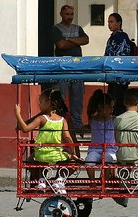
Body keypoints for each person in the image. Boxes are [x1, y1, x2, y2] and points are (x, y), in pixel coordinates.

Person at [14, 89, 80, 189]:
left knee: (31, 160)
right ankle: (59, 179)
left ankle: (42, 180)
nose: (39, 105)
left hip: (42, 153)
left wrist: (18, 114)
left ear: (48, 103)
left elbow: (25, 128)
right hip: (58, 152)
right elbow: (68, 138)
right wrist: (73, 153)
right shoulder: (62, 120)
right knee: (71, 160)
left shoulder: (42, 118)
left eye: (40, 102)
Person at [53, 4, 89, 135]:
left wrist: (69, 39)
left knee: (77, 99)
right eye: (67, 14)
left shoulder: (78, 28)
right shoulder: (56, 29)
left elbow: (86, 40)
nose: (70, 17)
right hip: (62, 68)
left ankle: (77, 126)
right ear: (61, 14)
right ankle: (58, 124)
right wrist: (76, 41)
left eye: (71, 14)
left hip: (78, 68)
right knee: (61, 97)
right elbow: (60, 44)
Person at [85, 90, 118, 186]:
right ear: (100, 107)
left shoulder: (114, 119)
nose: (111, 110)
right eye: (109, 107)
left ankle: (105, 182)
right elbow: (87, 126)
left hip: (110, 149)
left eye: (112, 107)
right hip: (95, 149)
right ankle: (92, 182)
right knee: (88, 161)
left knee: (108, 160)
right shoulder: (93, 120)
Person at [104, 12, 132, 115]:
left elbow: (121, 55)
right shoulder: (112, 37)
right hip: (111, 74)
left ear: (119, 23)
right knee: (111, 100)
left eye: (112, 21)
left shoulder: (122, 37)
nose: (109, 24)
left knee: (119, 102)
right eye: (108, 22)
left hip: (120, 75)